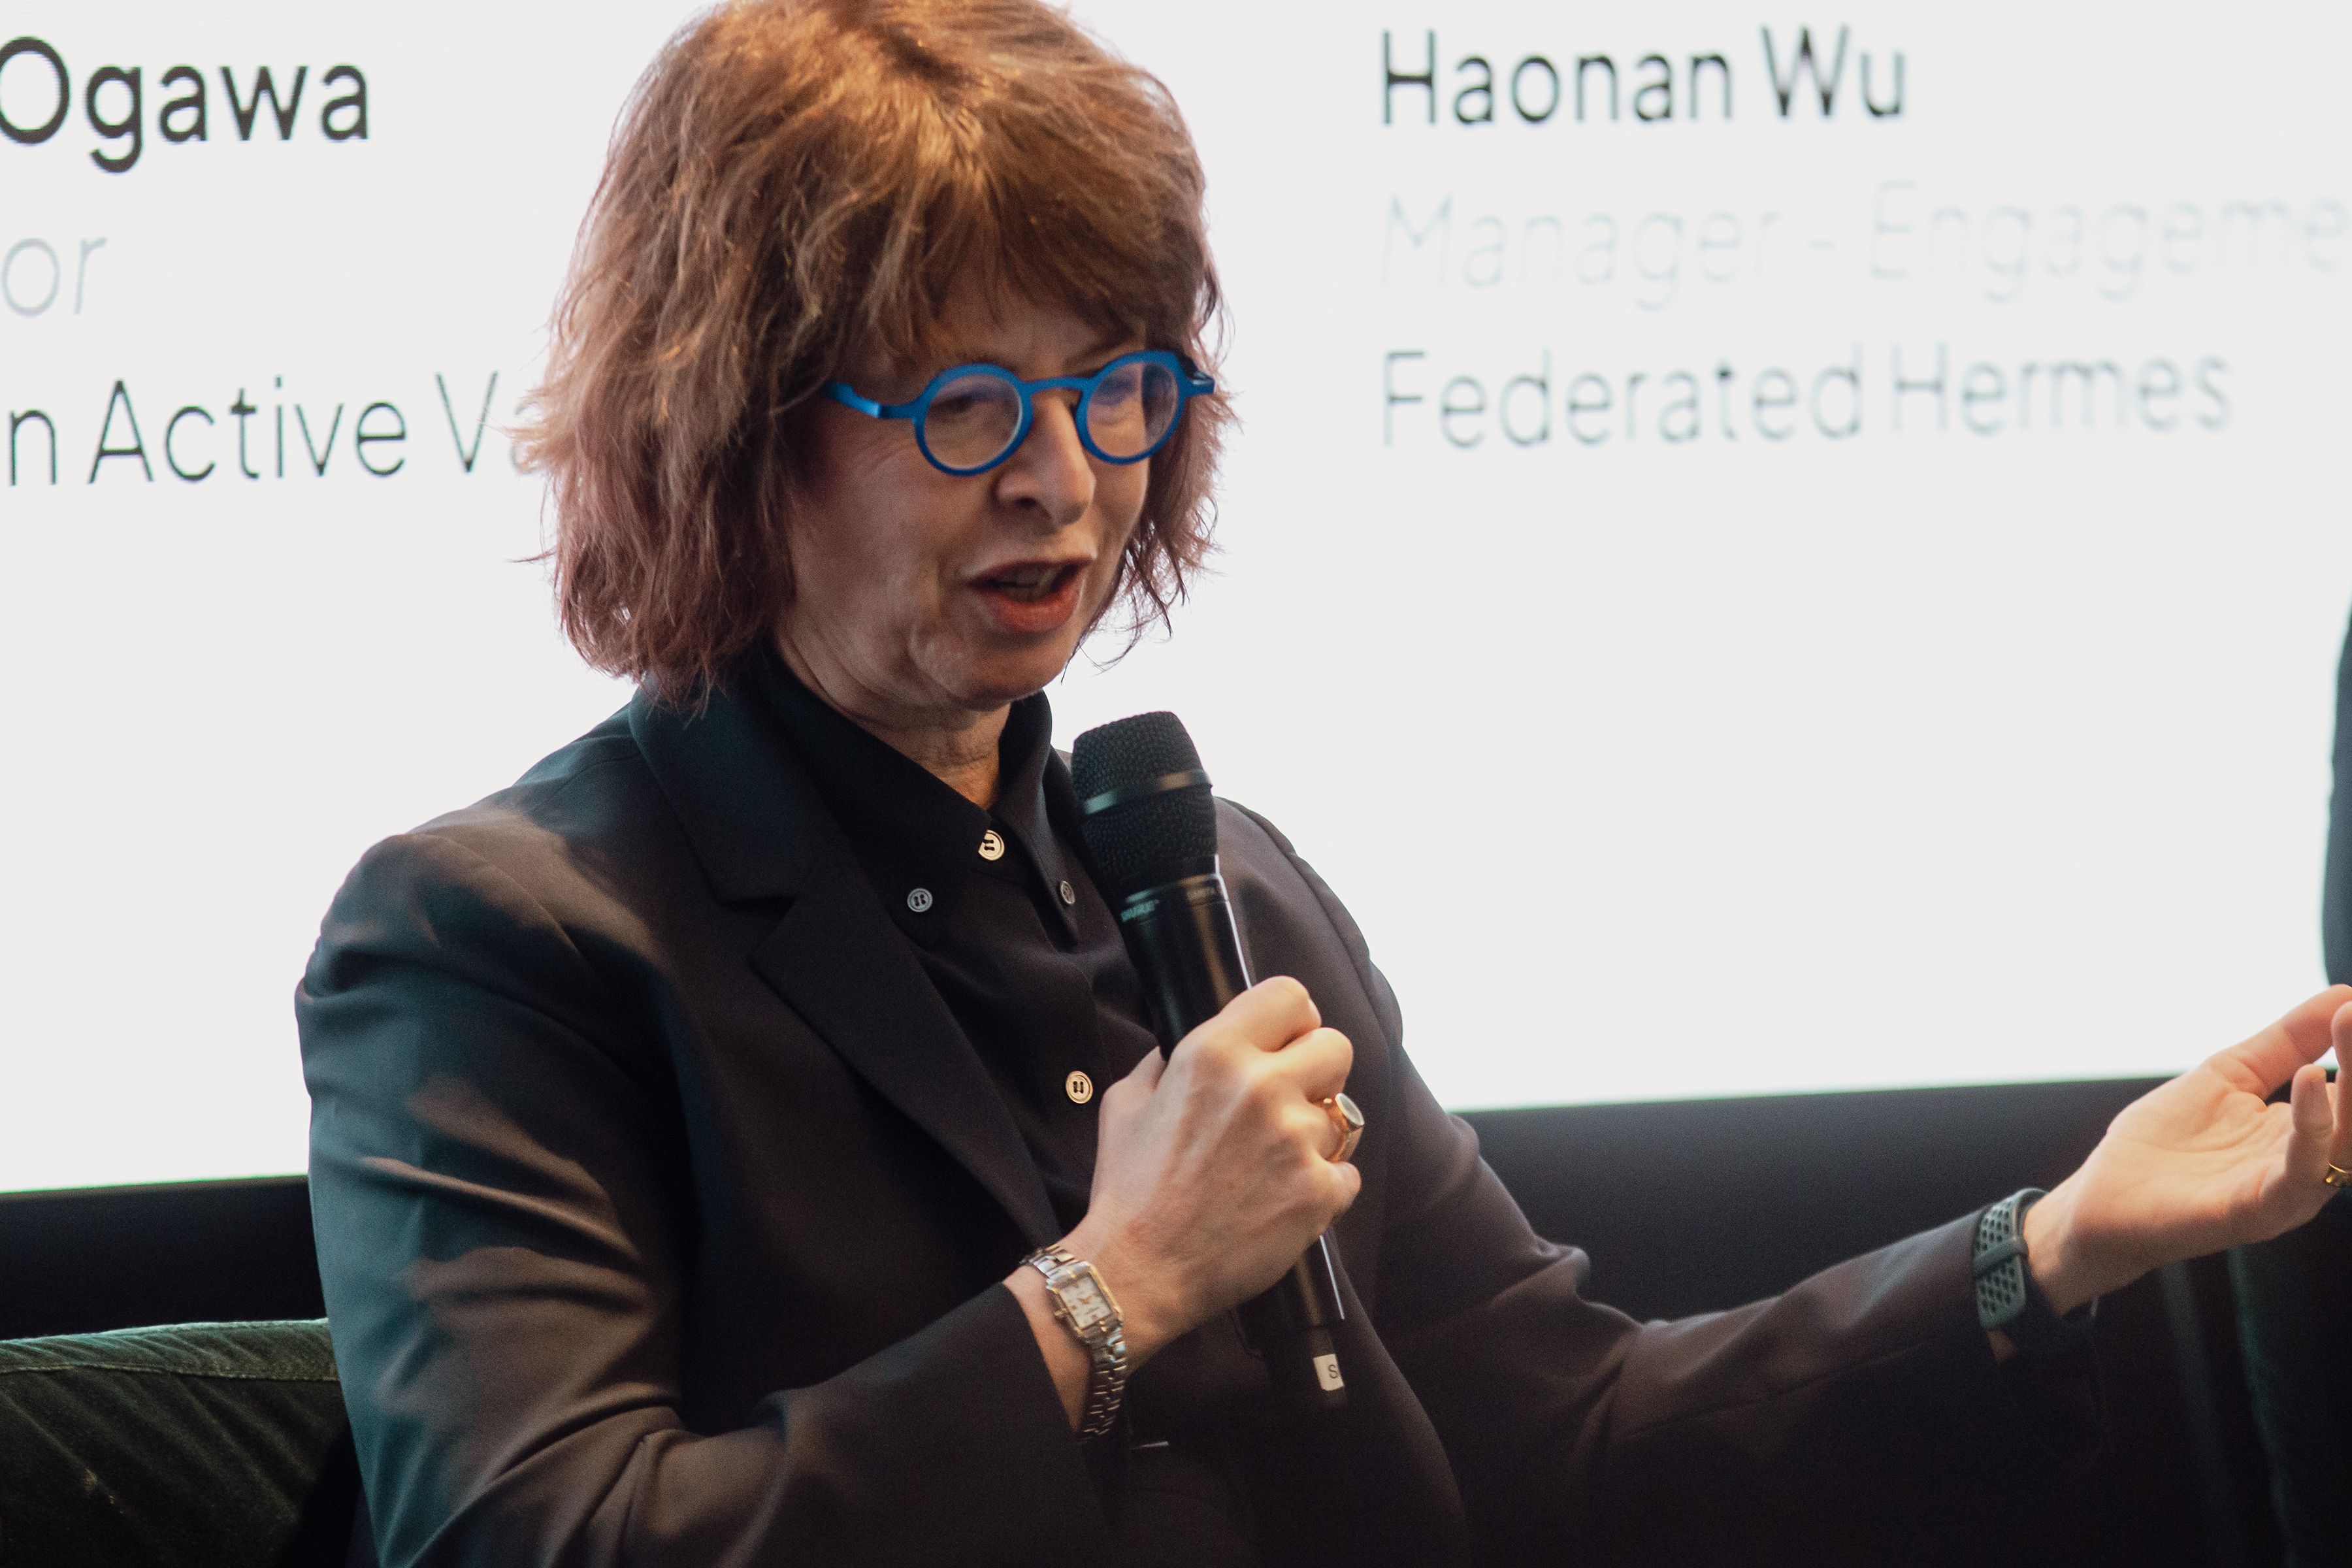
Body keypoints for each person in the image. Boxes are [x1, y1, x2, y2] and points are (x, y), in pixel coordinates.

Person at [295, 3, 2352, 1563]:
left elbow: (1569, 1438)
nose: (1064, 478)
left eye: (1114, 385)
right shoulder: (504, 942)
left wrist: (2054, 1242)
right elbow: (535, 1539)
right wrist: (1112, 1292)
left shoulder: (1215, 887)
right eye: (966, 404)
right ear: (740, 424)